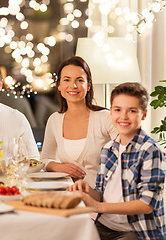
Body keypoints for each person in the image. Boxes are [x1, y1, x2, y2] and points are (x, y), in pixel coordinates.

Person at [68, 82, 165, 239]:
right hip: (104, 225)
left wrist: (98, 206)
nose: (124, 116)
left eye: (132, 111)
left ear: (144, 114)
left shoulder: (150, 151)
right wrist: (87, 190)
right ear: (111, 112)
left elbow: (147, 204)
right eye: (118, 110)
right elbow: (100, 192)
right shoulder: (108, 149)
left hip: (136, 231)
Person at [40, 56, 117, 187]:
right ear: (59, 85)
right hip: (69, 195)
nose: (73, 86)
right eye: (67, 80)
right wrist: (59, 167)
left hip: (103, 197)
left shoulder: (105, 118)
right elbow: (45, 159)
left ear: (88, 86)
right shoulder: (54, 120)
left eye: (79, 80)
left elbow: (127, 152)